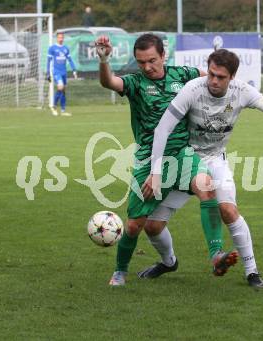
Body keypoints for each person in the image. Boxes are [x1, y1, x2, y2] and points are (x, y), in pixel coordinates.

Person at [141, 49, 263, 288]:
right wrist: (157, 171)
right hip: (184, 158)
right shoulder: (192, 89)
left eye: (221, 77)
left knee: (229, 211)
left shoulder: (242, 92)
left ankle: (252, 272)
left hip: (214, 160)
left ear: (232, 77)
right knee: (152, 226)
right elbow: (162, 129)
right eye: (211, 74)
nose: (213, 80)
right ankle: (169, 262)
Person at [95, 34, 238, 286]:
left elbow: (212, 77)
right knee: (136, 226)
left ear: (163, 55)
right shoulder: (136, 83)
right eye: (141, 62)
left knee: (207, 187)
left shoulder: (182, 75)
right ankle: (124, 270)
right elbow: (110, 83)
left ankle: (216, 255)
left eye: (152, 60)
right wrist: (104, 60)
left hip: (182, 153)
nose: (147, 67)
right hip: (149, 161)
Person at [46, 31, 77, 117]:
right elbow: (48, 61)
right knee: (60, 86)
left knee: (63, 91)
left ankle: (63, 110)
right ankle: (54, 106)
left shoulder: (65, 48)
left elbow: (70, 60)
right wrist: (48, 73)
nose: (61, 39)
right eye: (59, 37)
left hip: (64, 72)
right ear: (57, 38)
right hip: (56, 72)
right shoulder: (52, 48)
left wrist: (74, 70)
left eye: (62, 37)